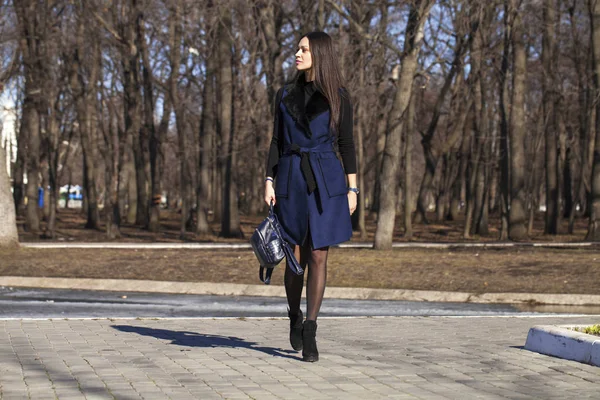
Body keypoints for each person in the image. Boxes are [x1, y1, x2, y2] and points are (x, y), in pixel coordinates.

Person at [264, 32, 358, 362]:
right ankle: (293, 313)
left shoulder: (339, 97)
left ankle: (310, 329)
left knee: (319, 254)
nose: (297, 53)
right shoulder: (285, 94)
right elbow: (276, 140)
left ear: (319, 53)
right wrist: (269, 179)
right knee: (295, 256)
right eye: (297, 48)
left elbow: (346, 144)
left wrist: (353, 188)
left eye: (303, 49)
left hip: (325, 179)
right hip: (290, 175)